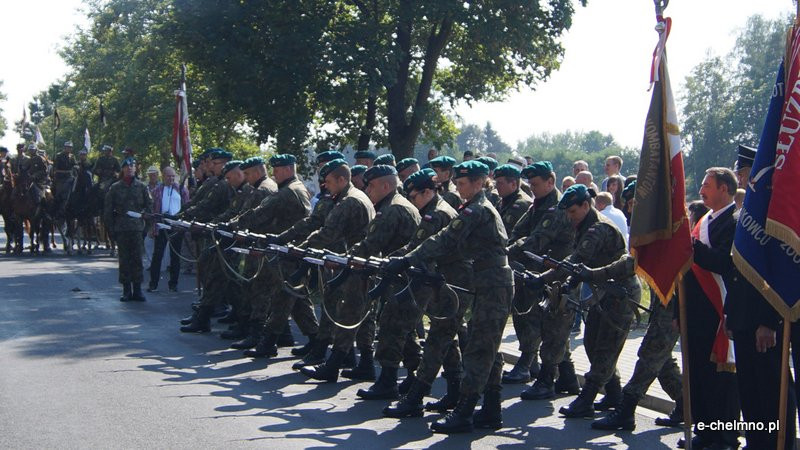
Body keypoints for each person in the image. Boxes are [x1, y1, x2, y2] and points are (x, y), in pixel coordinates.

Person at [384, 160, 513, 434]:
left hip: (493, 283)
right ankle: (491, 409)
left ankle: (465, 412)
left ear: (479, 183)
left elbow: (443, 240)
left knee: (479, 347)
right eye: (457, 182)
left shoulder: (477, 210)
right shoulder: (473, 207)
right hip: (486, 281)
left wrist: (407, 260)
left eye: (463, 183)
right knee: (486, 345)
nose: (458, 187)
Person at [363, 168, 470, 404]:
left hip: (444, 281)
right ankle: (451, 390)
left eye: (414, 197)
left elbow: (419, 247)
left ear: (428, 192)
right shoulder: (434, 211)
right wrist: (392, 260)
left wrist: (397, 260)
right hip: (437, 279)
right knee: (444, 337)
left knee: (409, 327)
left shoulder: (437, 215)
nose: (412, 202)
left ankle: (398, 384)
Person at [530, 184, 636, 419]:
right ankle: (614, 393)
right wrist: (562, 280)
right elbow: (574, 266)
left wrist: (543, 278)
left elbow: (575, 261)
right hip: (603, 293)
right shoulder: (584, 226)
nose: (569, 218)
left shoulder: (598, 229)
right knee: (591, 343)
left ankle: (586, 399)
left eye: (573, 212)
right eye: (567, 213)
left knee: (605, 347)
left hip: (621, 294)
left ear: (586, 206)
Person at [680, 167, 741, 449]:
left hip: (720, 312)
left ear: (724, 189)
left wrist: (691, 245)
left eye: (707, 185)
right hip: (696, 312)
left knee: (722, 380)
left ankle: (724, 437)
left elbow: (724, 263)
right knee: (699, 376)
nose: (701, 189)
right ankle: (704, 431)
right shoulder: (703, 220)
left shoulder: (735, 221)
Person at [104, 157, 152, 302]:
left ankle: (137, 290)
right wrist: (111, 229)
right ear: (123, 169)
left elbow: (149, 207)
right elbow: (108, 210)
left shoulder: (142, 187)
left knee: (137, 259)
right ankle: (126, 290)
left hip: (137, 228)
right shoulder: (115, 187)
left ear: (135, 169)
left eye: (132, 166)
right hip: (121, 228)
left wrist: (146, 226)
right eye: (127, 166)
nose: (130, 168)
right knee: (124, 260)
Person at [148, 166, 189, 292]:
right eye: (168, 176)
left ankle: (173, 284)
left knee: (175, 255)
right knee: (157, 255)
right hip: (161, 223)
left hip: (176, 225)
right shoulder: (157, 190)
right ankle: (153, 284)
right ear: (163, 176)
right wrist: (152, 225)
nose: (171, 178)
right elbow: (152, 208)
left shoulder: (181, 190)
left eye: (173, 176)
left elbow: (187, 206)